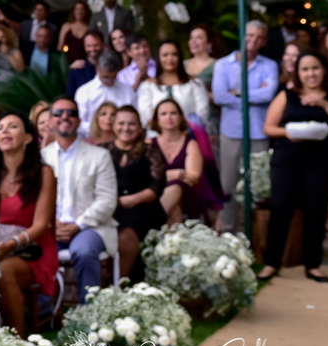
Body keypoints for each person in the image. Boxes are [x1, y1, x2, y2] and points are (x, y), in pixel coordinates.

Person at [258, 51, 328, 283]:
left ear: (323, 70)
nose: (311, 74)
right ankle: (271, 262)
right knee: (281, 206)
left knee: (316, 209)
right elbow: (269, 128)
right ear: (298, 72)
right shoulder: (286, 95)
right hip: (288, 157)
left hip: (322, 160)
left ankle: (313, 264)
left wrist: (322, 103)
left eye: (315, 68)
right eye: (305, 69)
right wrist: (289, 133)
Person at [0, 112, 57, 336]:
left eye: (12, 126)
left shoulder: (44, 173)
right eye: (0, 127)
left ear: (28, 138)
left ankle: (15, 343)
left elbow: (41, 225)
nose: (3, 131)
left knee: (4, 270)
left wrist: (10, 246)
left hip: (32, 250)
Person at [40, 97, 119, 301]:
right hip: (52, 229)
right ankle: (45, 313)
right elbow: (36, 199)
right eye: (58, 113)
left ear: (79, 120)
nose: (64, 117)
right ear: (50, 121)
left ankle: (89, 314)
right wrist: (50, 226)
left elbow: (107, 199)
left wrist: (78, 224)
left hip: (91, 226)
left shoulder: (99, 156)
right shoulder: (42, 157)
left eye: (71, 113)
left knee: (83, 251)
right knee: (36, 251)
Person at [213, 20, 278, 234]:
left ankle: (257, 236)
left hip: (258, 132)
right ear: (242, 35)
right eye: (250, 35)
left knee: (259, 186)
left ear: (263, 42)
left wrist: (238, 93)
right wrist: (254, 94)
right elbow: (221, 96)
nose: (253, 41)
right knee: (228, 185)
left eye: (258, 37)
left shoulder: (269, 65)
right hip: (231, 132)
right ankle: (230, 234)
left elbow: (268, 94)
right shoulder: (223, 64)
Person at [104, 107, 166, 280]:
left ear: (139, 127)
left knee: (127, 230)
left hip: (144, 207)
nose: (126, 128)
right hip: (110, 207)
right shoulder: (102, 151)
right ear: (113, 126)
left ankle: (124, 281)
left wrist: (129, 200)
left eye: (131, 124)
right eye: (121, 123)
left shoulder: (150, 151)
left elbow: (157, 185)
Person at [151, 99, 205, 224]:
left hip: (188, 197)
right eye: (163, 114)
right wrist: (175, 174)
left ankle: (152, 223)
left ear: (181, 117)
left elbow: (193, 177)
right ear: (157, 119)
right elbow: (144, 177)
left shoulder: (190, 144)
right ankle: (173, 241)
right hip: (156, 195)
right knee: (174, 208)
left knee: (175, 187)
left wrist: (162, 177)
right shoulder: (149, 144)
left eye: (173, 113)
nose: (169, 117)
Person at [137, 41, 211, 128]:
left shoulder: (195, 83)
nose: (170, 59)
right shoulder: (148, 85)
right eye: (165, 55)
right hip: (156, 136)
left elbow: (202, 113)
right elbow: (145, 115)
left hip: (189, 135)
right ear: (158, 58)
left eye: (174, 54)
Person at [74, 50, 135, 136]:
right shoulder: (84, 91)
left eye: (113, 78)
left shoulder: (127, 91)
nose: (110, 81)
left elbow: (132, 117)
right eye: (106, 77)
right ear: (98, 68)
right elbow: (80, 122)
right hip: (91, 137)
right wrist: (99, 129)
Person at [66, 29, 106, 96]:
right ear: (84, 46)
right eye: (89, 46)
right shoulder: (76, 69)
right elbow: (70, 96)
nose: (92, 49)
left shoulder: (111, 67)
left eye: (96, 45)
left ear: (103, 45)